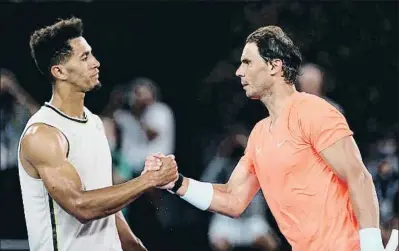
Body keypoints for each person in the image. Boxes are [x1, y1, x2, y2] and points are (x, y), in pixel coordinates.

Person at [143, 26, 398, 251]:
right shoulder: (259, 134)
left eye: (247, 62)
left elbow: (359, 176)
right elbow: (233, 199)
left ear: (274, 65)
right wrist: (176, 183)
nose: (238, 72)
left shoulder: (315, 111)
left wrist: (372, 246)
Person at [18, 17, 178, 251]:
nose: (96, 63)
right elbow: (82, 206)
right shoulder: (43, 134)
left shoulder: (93, 122)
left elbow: (107, 205)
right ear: (59, 71)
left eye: (91, 54)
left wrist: (135, 246)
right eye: (85, 57)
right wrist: (149, 179)